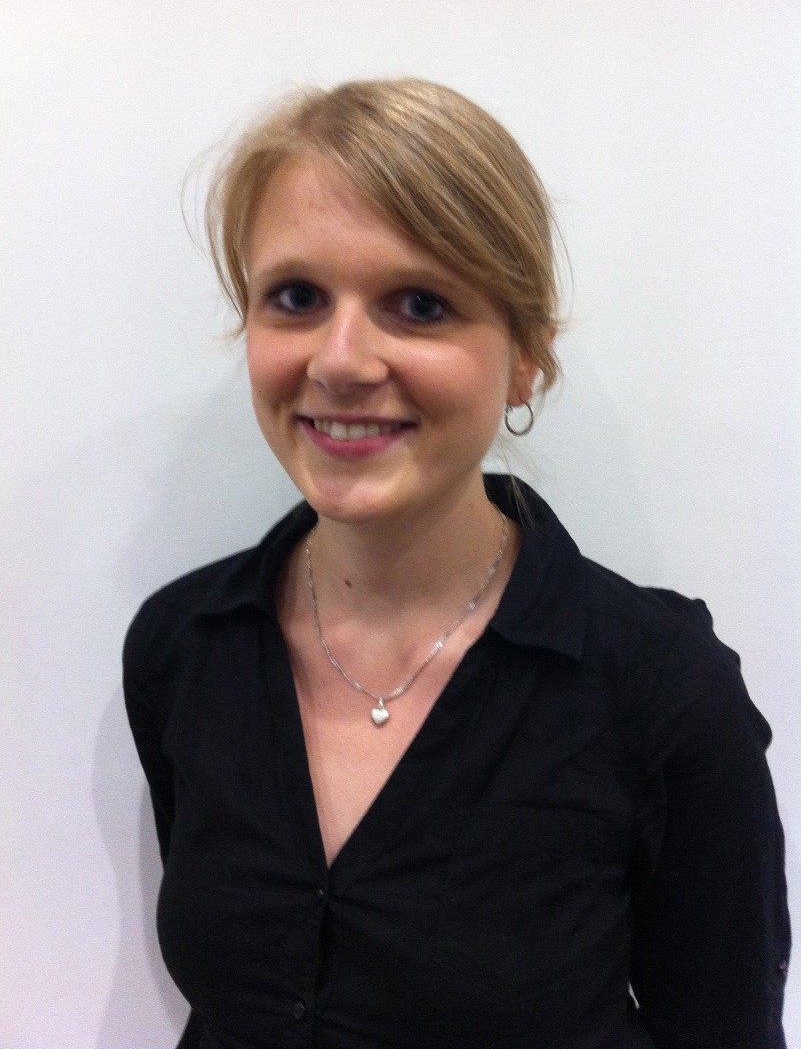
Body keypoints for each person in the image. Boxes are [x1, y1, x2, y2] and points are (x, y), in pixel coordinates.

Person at [123, 78, 790, 1049]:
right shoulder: (184, 646)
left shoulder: (662, 691)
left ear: (526, 358)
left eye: (420, 304)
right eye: (296, 298)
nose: (339, 360)